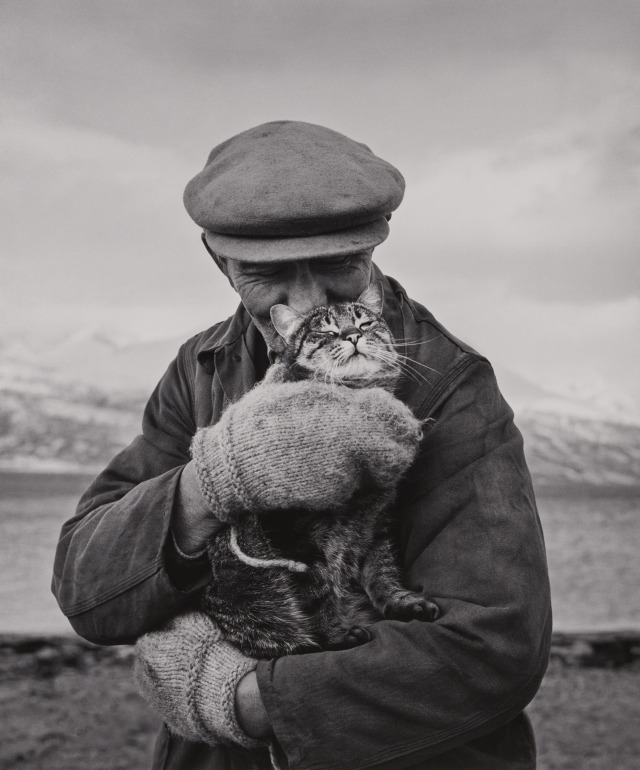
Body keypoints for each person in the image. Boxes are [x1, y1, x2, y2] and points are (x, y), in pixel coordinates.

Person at [52, 121, 552, 770]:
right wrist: (215, 479)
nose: (310, 301)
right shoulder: (199, 365)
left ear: (375, 247)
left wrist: (240, 698)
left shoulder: (452, 383)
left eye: (339, 263)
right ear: (220, 262)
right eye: (268, 274)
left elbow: (496, 650)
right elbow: (85, 587)